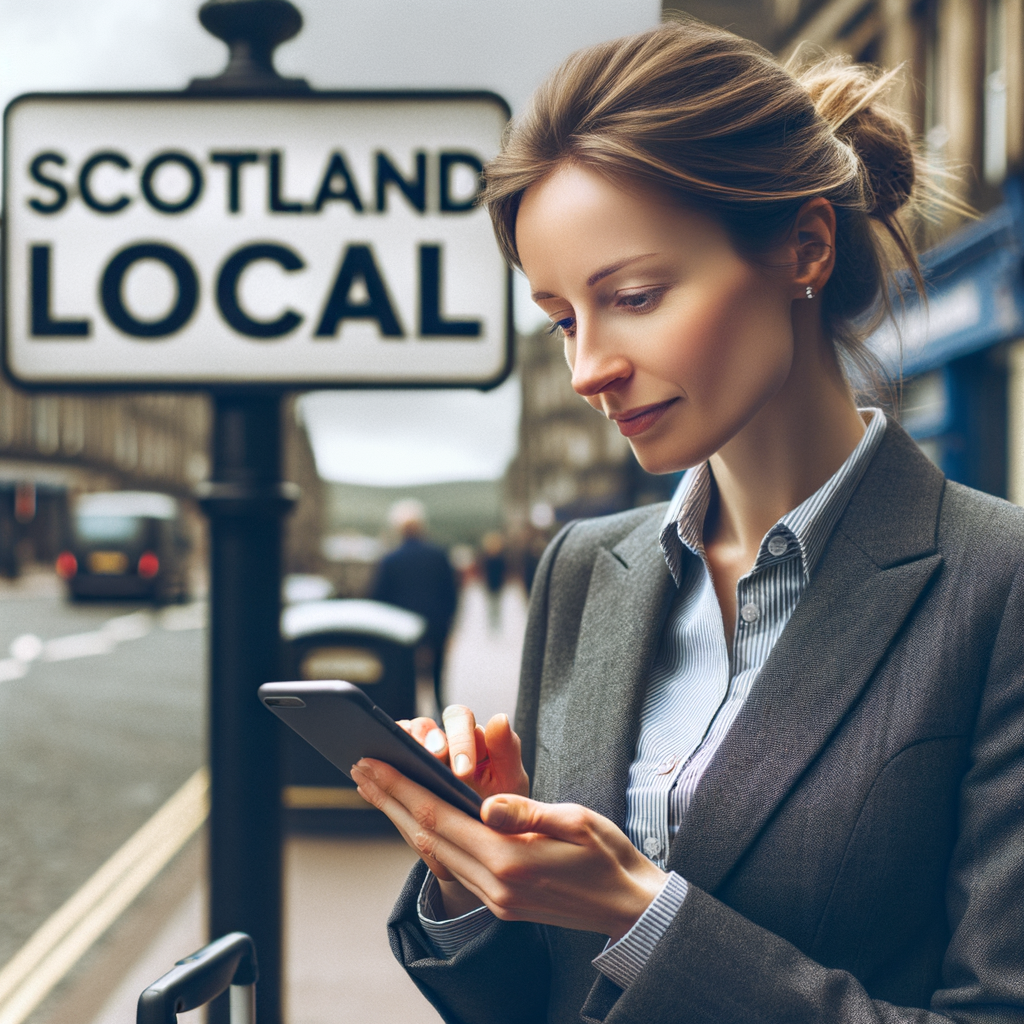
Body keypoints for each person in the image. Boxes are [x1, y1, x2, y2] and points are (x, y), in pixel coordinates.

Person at [350, 20, 1024, 1024]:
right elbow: (537, 1001)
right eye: (564, 318)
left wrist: (649, 918)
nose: (588, 370)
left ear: (803, 246)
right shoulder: (582, 567)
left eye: (633, 295)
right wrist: (476, 871)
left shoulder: (994, 582)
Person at [370, 499, 458, 713]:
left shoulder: (390, 560)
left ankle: (411, 720)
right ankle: (441, 715)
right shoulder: (439, 556)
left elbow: (378, 598)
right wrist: (449, 624)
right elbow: (452, 593)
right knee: (437, 676)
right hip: (436, 625)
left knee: (404, 678)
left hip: (400, 630)